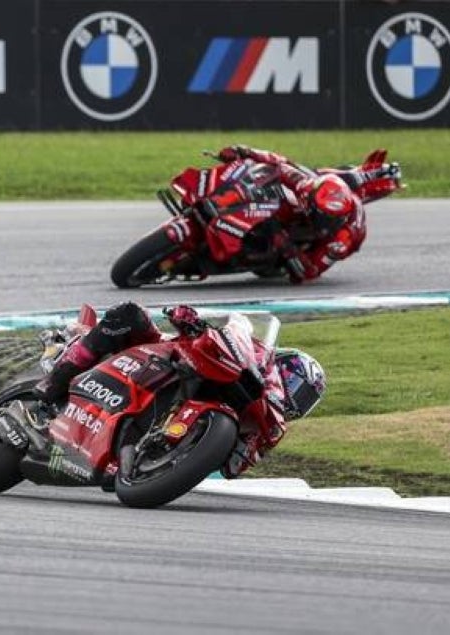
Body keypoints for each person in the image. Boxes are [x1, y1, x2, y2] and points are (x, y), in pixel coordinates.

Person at [34, 302, 326, 478]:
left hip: (172, 433)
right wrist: (191, 322)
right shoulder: (255, 356)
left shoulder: (269, 428)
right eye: (296, 385)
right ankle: (57, 377)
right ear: (282, 366)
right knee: (129, 314)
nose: (295, 397)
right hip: (164, 353)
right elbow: (223, 337)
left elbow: (233, 469)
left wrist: (236, 447)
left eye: (304, 399)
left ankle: (141, 454)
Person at [208, 144, 401, 283]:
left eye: (325, 217)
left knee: (293, 257)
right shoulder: (307, 186)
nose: (320, 219)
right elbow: (280, 164)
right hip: (324, 185)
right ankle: (375, 172)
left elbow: (310, 272)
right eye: (317, 212)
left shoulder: (343, 240)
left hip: (315, 243)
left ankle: (259, 250)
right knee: (284, 189)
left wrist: (286, 246)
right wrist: (245, 152)